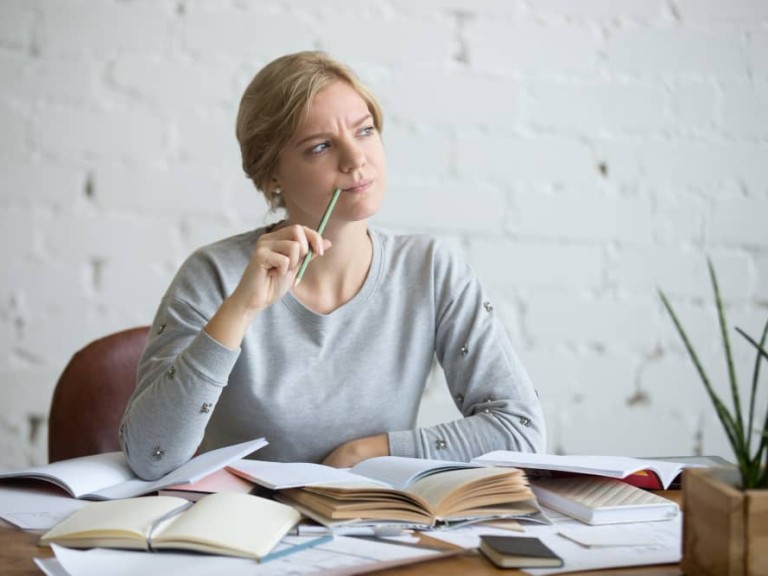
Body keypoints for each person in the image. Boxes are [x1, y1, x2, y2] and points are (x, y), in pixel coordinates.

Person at [120, 51, 545, 481]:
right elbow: (149, 456)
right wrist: (241, 309)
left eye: (365, 131)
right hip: (240, 536)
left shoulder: (432, 269)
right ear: (271, 176)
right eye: (320, 146)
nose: (355, 159)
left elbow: (521, 431)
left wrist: (368, 453)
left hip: (374, 529)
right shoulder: (213, 274)